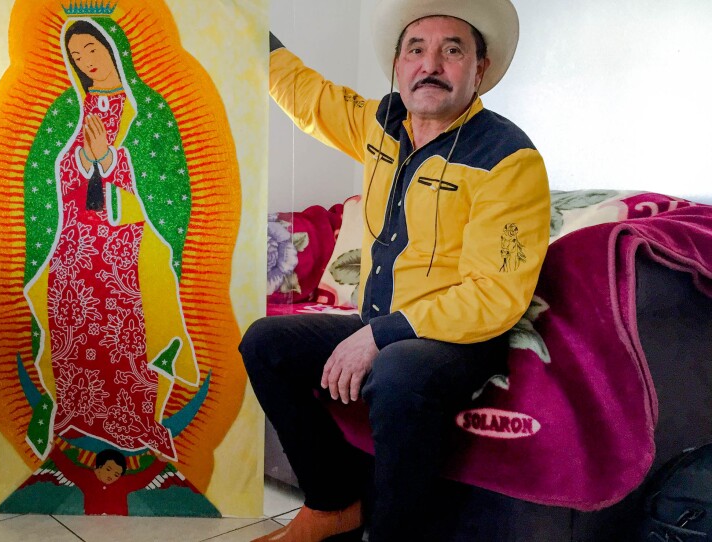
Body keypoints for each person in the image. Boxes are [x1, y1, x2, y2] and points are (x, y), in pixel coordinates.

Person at [241, 0, 550, 540]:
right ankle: (333, 503)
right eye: (416, 49)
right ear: (398, 66)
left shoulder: (509, 159)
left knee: (400, 372)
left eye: (452, 50)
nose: (430, 63)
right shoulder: (380, 122)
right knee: (267, 341)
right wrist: (240, 27)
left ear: (479, 70)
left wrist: (380, 337)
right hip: (382, 324)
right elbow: (307, 94)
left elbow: (496, 293)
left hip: (457, 338)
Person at [27, 19, 199, 462]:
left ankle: (131, 420)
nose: (86, 62)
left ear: (112, 47)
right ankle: (76, 409)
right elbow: (54, 171)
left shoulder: (148, 110)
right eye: (77, 57)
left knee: (124, 330)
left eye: (92, 50)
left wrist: (110, 158)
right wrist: (84, 159)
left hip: (127, 243)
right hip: (77, 237)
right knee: (73, 319)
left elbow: (165, 184)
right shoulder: (72, 108)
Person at [47, 445, 166, 515]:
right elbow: (69, 470)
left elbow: (143, 478)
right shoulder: (87, 478)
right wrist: (55, 452)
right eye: (108, 469)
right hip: (90, 526)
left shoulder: (123, 482)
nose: (112, 476)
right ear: (97, 468)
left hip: (120, 528)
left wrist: (160, 462)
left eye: (116, 474)